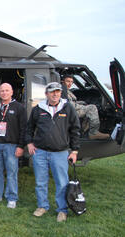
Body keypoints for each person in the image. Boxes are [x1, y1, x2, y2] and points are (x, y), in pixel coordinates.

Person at [26, 82, 80, 222]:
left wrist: (74, 151)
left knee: (62, 183)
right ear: (46, 94)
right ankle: (42, 206)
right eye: (52, 92)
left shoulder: (68, 108)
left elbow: (75, 130)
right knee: (40, 181)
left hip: (60, 152)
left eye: (58, 91)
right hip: (40, 152)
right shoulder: (38, 109)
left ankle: (62, 210)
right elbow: (29, 128)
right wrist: (29, 143)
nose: (55, 94)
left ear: (60, 93)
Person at [0, 83, 27, 209]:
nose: (4, 93)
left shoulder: (19, 108)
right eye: (2, 91)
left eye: (7, 90)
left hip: (11, 146)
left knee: (11, 172)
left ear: (12, 92)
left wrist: (20, 146)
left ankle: (12, 198)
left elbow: (24, 128)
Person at [62, 74, 109, 140]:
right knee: (92, 108)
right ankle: (93, 133)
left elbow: (71, 102)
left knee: (86, 107)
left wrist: (83, 103)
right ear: (63, 82)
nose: (70, 83)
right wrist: (83, 106)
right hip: (69, 111)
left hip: (69, 110)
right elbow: (71, 105)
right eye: (68, 81)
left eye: (71, 82)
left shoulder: (65, 90)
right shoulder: (63, 91)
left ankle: (83, 131)